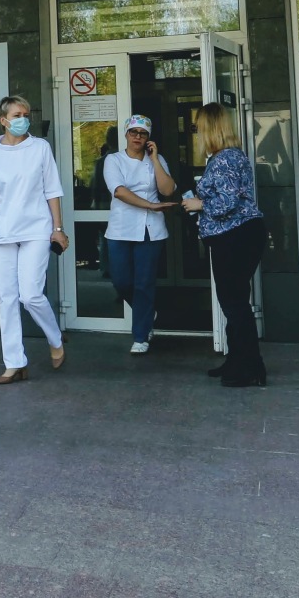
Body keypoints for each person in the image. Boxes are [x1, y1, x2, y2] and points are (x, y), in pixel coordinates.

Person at [0, 96, 68, 384]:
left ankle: (55, 337)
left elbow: (52, 190)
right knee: (7, 298)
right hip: (3, 232)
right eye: (17, 115)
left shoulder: (40, 147)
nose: (23, 119)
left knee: (30, 295)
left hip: (37, 229)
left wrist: (58, 228)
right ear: (3, 120)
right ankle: (14, 363)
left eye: (26, 114)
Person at [183, 103, 267, 387]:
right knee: (235, 301)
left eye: (198, 127)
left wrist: (198, 204)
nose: (196, 133)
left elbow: (227, 203)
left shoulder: (225, 159)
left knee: (234, 304)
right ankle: (238, 360)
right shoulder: (229, 156)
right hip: (238, 235)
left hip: (235, 236)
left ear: (210, 128)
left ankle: (250, 368)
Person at [103, 115, 175, 354]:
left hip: (150, 230)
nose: (138, 137)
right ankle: (146, 312)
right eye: (133, 132)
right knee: (121, 281)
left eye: (143, 134)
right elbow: (119, 191)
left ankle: (141, 336)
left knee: (144, 283)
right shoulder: (114, 160)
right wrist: (150, 205)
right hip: (121, 228)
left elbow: (167, 190)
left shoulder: (157, 160)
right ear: (126, 134)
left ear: (148, 138)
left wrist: (154, 159)